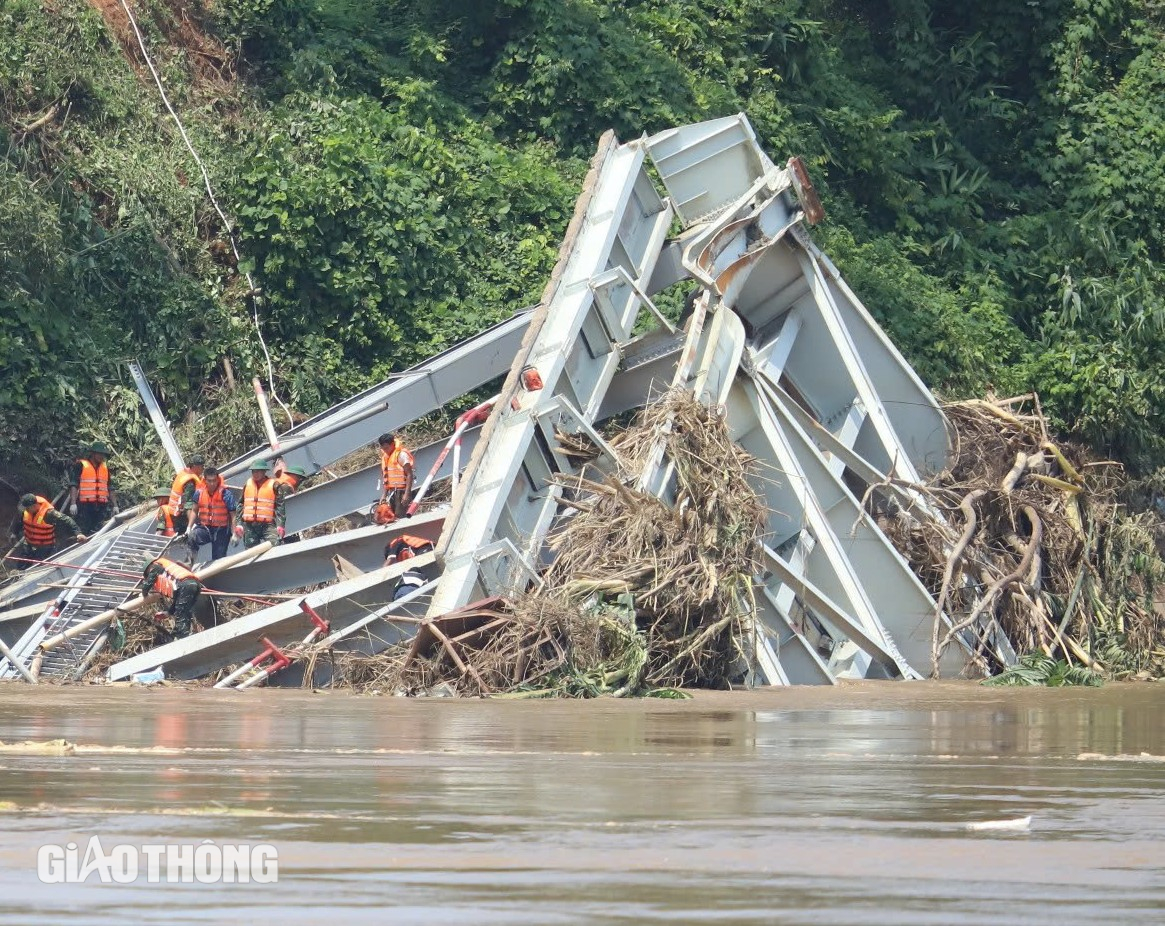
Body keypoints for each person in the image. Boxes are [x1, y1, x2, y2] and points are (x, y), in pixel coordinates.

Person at [7, 493, 87, 567]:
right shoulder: (26, 511)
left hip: (44, 547)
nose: (25, 510)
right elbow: (20, 520)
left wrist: (78, 533)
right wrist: (14, 533)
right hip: (29, 544)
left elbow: (67, 520)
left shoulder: (49, 513)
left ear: (34, 506)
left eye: (27, 508)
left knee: (37, 566)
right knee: (21, 565)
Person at [138, 555, 203, 639]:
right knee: (185, 610)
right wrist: (168, 612)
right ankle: (183, 633)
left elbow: (146, 586)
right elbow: (178, 601)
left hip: (185, 585)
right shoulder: (167, 571)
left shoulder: (155, 567)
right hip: (194, 584)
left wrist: (144, 593)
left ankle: (182, 635)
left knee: (181, 613)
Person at [188, 466, 236, 561]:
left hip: (221, 530)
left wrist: (234, 532)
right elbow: (194, 510)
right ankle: (189, 563)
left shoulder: (226, 494)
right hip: (205, 528)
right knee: (192, 536)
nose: (212, 483)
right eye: (209, 481)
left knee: (218, 559)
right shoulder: (199, 493)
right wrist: (189, 527)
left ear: (218, 479)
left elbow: (233, 514)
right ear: (205, 480)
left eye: (214, 480)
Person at [235, 458, 285, 548]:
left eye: (258, 471)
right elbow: (240, 504)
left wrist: (280, 525)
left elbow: (280, 507)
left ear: (264, 471)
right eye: (253, 471)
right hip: (250, 525)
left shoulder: (275, 485)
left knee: (276, 546)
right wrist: (239, 524)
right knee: (251, 552)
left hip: (267, 525)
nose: (255, 474)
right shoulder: (247, 484)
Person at [68, 441, 115, 535]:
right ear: (93, 453)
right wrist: (73, 503)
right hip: (85, 506)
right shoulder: (81, 465)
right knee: (84, 531)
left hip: (101, 506)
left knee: (99, 531)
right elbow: (74, 484)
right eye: (100, 454)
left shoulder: (105, 468)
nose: (102, 456)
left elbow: (110, 487)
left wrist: (115, 505)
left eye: (103, 454)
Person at [377, 433, 414, 519]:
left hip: (401, 492)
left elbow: (409, 474)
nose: (385, 450)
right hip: (392, 493)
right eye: (383, 448)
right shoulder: (386, 457)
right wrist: (384, 495)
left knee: (401, 517)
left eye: (386, 448)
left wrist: (407, 494)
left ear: (392, 444)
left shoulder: (401, 455)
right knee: (391, 517)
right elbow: (387, 478)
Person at [168, 454, 205, 536]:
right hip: (179, 515)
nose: (203, 468)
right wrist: (191, 525)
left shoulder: (185, 472)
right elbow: (189, 505)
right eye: (202, 466)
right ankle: (192, 526)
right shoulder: (190, 482)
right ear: (195, 466)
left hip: (175, 512)